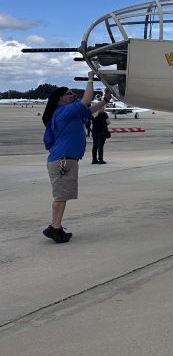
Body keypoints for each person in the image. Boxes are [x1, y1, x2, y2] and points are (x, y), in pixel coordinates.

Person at [41, 71, 111, 243]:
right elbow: (86, 101)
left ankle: (56, 227)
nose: (73, 94)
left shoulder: (70, 113)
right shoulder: (63, 111)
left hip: (65, 160)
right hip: (63, 161)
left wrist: (105, 100)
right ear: (61, 99)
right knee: (61, 196)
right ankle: (55, 228)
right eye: (69, 93)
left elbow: (89, 110)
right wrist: (90, 79)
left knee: (62, 195)